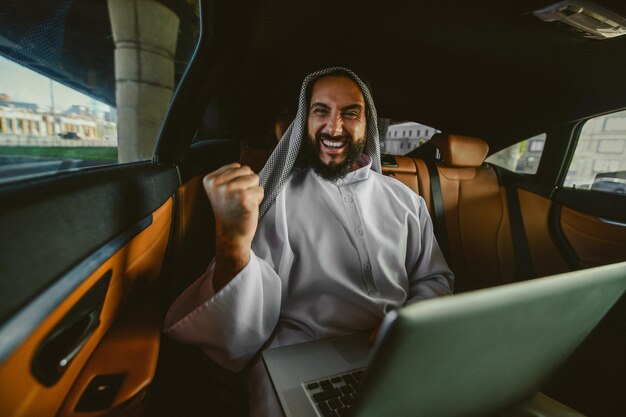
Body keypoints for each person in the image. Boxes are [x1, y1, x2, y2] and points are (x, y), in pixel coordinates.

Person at [164, 67, 454, 416]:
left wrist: (407, 323)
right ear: (305, 121)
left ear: (368, 125)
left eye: (350, 113)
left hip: (398, 355)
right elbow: (240, 331)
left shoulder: (406, 201)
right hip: (298, 359)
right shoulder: (271, 199)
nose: (334, 128)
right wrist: (232, 241)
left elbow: (433, 279)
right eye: (321, 111)